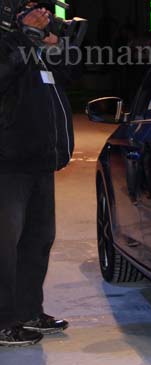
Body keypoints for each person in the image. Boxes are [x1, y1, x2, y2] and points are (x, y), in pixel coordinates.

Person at [0, 5, 75, 346]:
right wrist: (24, 39)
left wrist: (55, 47)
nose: (41, 13)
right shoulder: (11, 43)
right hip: (8, 162)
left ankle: (28, 311)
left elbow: (65, 80)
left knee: (37, 240)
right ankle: (4, 321)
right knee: (5, 247)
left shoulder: (31, 46)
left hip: (40, 161)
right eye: (31, 9)